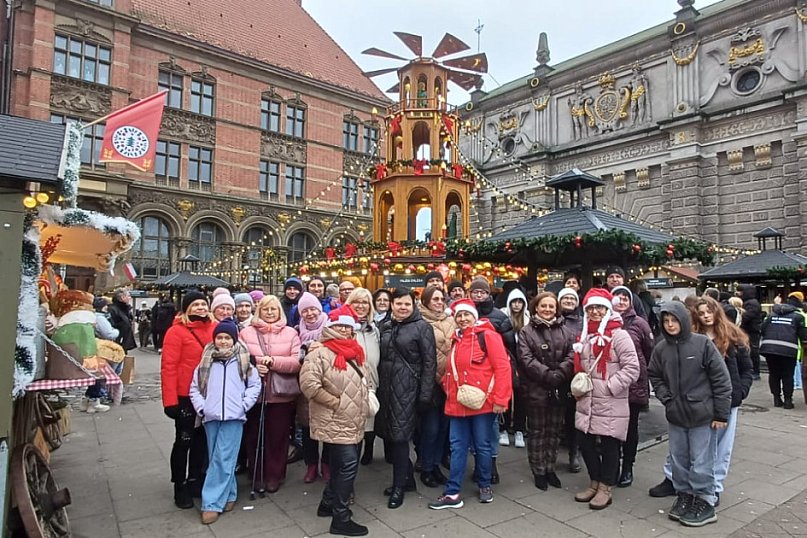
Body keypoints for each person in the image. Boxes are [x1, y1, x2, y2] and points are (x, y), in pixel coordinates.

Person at [648, 301, 732, 527]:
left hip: (702, 414)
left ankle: (705, 500)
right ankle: (684, 495)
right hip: (676, 415)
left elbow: (721, 381)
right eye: (665, 321)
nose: (670, 324)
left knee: (702, 461)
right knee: (679, 459)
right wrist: (666, 398)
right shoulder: (661, 348)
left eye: (673, 320)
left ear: (683, 320)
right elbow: (654, 375)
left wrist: (721, 414)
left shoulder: (702, 344)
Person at [428, 299, 512, 509]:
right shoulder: (455, 340)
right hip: (458, 403)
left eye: (467, 315)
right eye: (459, 316)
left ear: (475, 316)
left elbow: (502, 368)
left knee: (482, 445)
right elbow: (450, 372)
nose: (463, 319)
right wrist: (449, 391)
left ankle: (484, 484)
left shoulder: (489, 336)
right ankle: (453, 491)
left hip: (483, 402)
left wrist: (501, 399)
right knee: (457, 447)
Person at [300, 314, 371, 537]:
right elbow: (309, 385)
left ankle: (327, 504)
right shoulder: (319, 352)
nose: (343, 330)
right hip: (336, 418)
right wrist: (336, 403)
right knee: (347, 467)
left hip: (354, 417)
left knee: (344, 466)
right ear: (330, 328)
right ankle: (341, 517)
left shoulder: (356, 351)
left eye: (347, 327)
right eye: (338, 325)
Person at [572, 288, 640, 511]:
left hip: (610, 401)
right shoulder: (585, 336)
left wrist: (610, 386)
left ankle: (606, 487)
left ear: (607, 309)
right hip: (587, 401)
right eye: (590, 308)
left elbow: (632, 368)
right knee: (586, 443)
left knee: (610, 444)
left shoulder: (619, 335)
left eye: (599, 308)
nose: (594, 312)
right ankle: (594, 482)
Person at [189, 319, 261, 525]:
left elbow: (254, 385)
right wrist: (202, 407)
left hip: (233, 416)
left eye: (227, 337)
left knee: (223, 457)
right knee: (216, 457)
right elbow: (195, 387)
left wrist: (244, 404)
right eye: (219, 337)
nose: (223, 341)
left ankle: (211, 503)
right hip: (211, 415)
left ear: (234, 339)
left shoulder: (243, 360)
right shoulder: (206, 360)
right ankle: (229, 494)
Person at [376, 288, 436, 509]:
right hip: (387, 389)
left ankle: (399, 486)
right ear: (392, 305)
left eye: (407, 304)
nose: (402, 308)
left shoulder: (422, 327)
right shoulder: (386, 326)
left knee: (400, 439)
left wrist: (425, 395)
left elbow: (430, 364)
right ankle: (407, 478)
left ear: (414, 305)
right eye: (398, 304)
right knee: (390, 436)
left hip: (408, 391)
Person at [692, 297, 753, 502]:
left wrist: (741, 391)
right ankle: (699, 485)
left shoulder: (732, 336)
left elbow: (747, 369)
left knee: (722, 447)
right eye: (701, 313)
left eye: (709, 311)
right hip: (702, 400)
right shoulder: (695, 338)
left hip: (728, 401)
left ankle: (715, 486)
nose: (706, 316)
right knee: (702, 446)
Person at [240, 295, 302, 494]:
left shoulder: (291, 333)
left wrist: (272, 361)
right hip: (254, 394)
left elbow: (296, 363)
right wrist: (255, 365)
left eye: (273, 309)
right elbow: (239, 359)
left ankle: (275, 475)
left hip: (280, 395)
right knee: (253, 435)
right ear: (259, 310)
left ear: (279, 312)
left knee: (278, 437)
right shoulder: (246, 332)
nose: (269, 312)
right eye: (265, 309)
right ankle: (256, 473)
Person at [161, 289, 216, 509]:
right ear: (187, 309)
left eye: (203, 304)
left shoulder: (213, 328)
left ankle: (195, 479)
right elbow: (169, 366)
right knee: (184, 440)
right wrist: (170, 400)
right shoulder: (176, 332)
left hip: (209, 393)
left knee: (202, 440)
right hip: (185, 395)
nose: (201, 308)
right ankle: (179, 485)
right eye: (196, 305)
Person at [517, 292, 574, 490]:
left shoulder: (565, 331)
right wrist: (547, 375)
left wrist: (559, 374)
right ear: (536, 308)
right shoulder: (526, 331)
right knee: (537, 431)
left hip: (559, 387)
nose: (547, 310)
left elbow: (572, 354)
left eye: (551, 306)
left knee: (554, 430)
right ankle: (538, 469)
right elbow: (525, 359)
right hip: (536, 387)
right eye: (544, 306)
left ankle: (550, 467)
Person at [469, 277, 515, 484]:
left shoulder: (499, 317)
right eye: (475, 292)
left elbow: (510, 345)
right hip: (470, 376)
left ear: (489, 294)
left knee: (492, 424)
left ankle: (491, 464)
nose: (479, 295)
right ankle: (479, 463)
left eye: (482, 292)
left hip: (491, 377)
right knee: (471, 423)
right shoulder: (465, 314)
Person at [610, 286, 653, 488]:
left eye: (625, 298)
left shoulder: (639, 324)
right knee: (612, 428)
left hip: (633, 384)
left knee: (630, 429)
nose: (621, 301)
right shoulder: (605, 323)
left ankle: (628, 466)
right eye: (617, 297)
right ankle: (613, 466)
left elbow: (648, 351)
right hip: (611, 385)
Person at [418, 285, 454, 487]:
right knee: (430, 429)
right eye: (435, 299)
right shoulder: (421, 321)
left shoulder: (451, 320)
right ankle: (426, 468)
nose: (439, 303)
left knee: (443, 428)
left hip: (450, 383)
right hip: (431, 383)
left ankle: (436, 465)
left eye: (441, 299)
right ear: (426, 301)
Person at [342, 289, 381, 467]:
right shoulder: (344, 329)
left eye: (365, 302)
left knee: (369, 426)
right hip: (351, 388)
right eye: (356, 302)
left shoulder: (375, 331)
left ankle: (368, 451)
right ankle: (348, 477)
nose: (361, 306)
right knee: (352, 435)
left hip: (372, 385)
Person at [296, 292, 330, 483]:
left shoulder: (329, 326)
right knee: (308, 427)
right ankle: (311, 465)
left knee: (328, 427)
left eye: (313, 309)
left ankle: (326, 464)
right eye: (305, 310)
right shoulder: (296, 330)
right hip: (305, 386)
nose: (310, 313)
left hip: (327, 384)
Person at [760, 293, 807, 409]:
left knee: (774, 374)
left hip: (769, 348)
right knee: (787, 375)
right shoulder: (798, 317)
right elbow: (804, 336)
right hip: (788, 349)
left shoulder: (771, 315)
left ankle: (776, 398)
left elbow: (762, 329)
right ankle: (788, 401)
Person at [499, 287, 530, 448]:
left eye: (520, 302)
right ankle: (503, 428)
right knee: (506, 396)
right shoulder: (503, 317)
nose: (517, 305)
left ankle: (519, 429)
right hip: (506, 361)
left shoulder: (529, 320)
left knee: (522, 397)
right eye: (514, 302)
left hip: (524, 364)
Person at [558, 287, 582, 473]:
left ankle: (574, 453)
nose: (568, 300)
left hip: (575, 374)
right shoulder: (554, 320)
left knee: (574, 415)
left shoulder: (582, 322)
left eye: (571, 298)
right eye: (564, 297)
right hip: (555, 373)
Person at [738, 284, 765, 380]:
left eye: (741, 291)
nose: (738, 293)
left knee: (753, 351)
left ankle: (755, 371)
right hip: (749, 330)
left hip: (752, 330)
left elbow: (747, 316)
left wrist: (739, 316)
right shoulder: (749, 302)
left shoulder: (752, 303)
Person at [108, 288, 137, 354]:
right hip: (116, 344)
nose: (130, 298)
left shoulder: (125, 310)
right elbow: (112, 326)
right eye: (128, 296)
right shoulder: (113, 309)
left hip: (123, 344)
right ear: (122, 297)